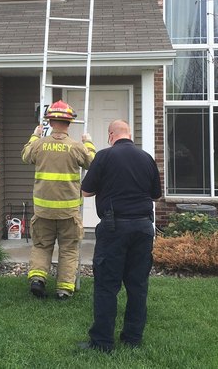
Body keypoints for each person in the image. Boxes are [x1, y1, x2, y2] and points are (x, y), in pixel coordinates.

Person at [79, 119, 161, 352]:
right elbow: (156, 195)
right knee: (138, 285)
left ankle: (102, 342)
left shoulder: (104, 157)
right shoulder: (146, 158)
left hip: (115, 228)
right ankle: (132, 338)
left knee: (107, 285)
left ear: (111, 135)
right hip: (144, 228)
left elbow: (86, 191)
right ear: (129, 135)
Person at [21, 100, 96, 300]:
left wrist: (35, 135)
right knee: (69, 249)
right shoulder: (76, 146)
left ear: (50, 122)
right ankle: (63, 289)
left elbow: (25, 156)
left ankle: (38, 279)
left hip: (43, 210)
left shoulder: (39, 145)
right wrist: (88, 141)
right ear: (69, 123)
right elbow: (93, 163)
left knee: (41, 245)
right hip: (69, 212)